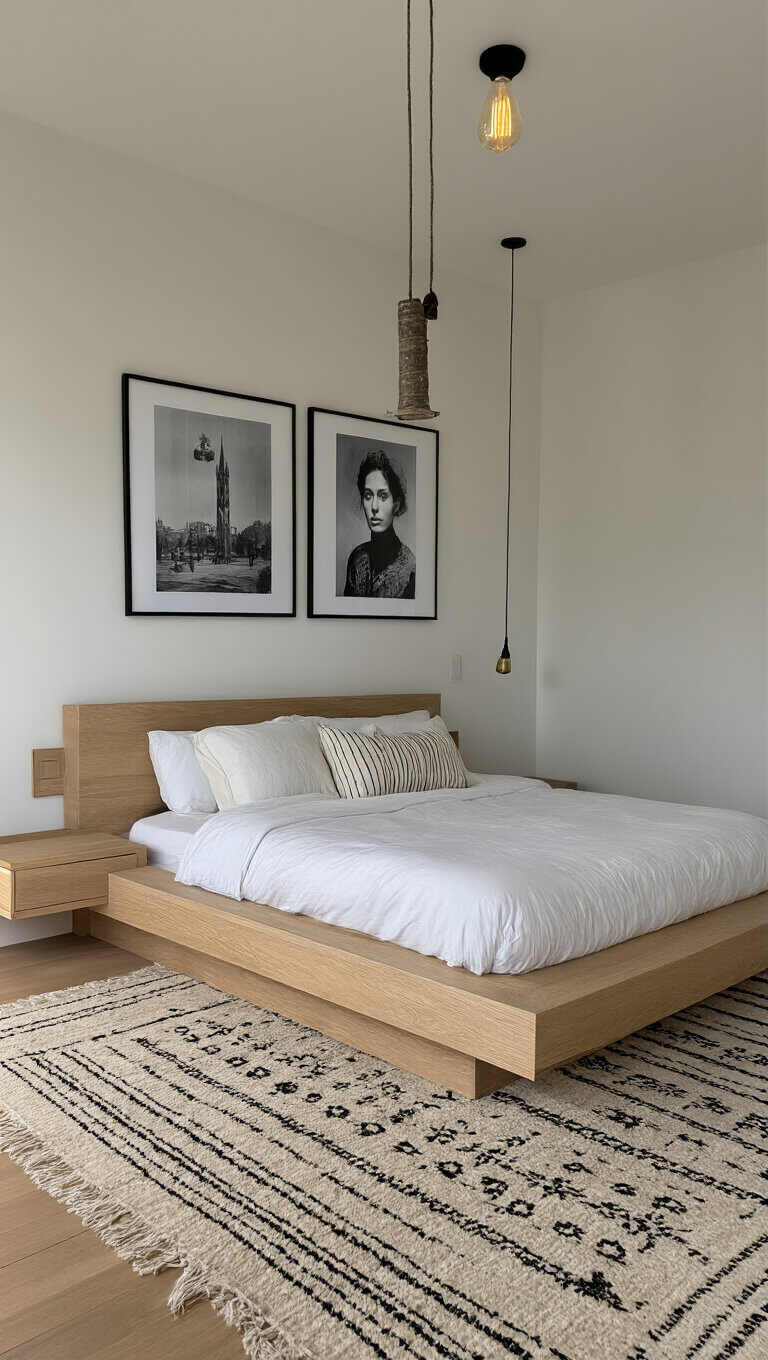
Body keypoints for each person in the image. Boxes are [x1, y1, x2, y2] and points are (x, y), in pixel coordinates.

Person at [344, 450, 415, 598]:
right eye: (368, 495)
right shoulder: (357, 558)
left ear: (396, 504)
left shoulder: (410, 566)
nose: (374, 507)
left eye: (383, 496)